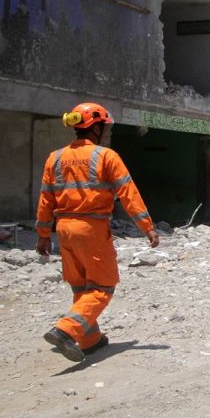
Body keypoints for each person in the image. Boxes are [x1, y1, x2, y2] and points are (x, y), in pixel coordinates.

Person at [36, 102, 159, 363]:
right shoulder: (106, 156)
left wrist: (43, 234)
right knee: (103, 287)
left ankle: (90, 340)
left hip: (64, 230)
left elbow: (46, 199)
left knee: (81, 286)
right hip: (91, 229)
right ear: (96, 128)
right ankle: (66, 330)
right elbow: (128, 193)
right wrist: (147, 228)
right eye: (104, 126)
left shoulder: (54, 157)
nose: (105, 130)